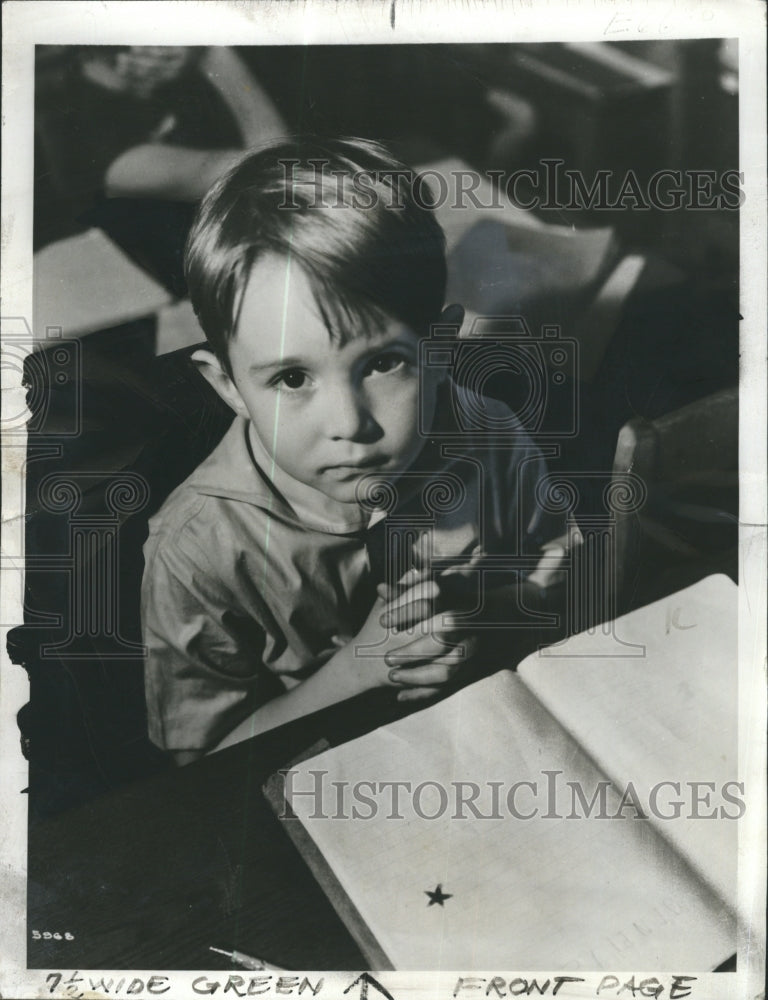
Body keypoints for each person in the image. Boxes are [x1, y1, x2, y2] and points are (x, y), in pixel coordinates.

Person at [142, 138, 573, 766]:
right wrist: (358, 670)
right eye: (292, 378)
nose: (349, 424)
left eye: (383, 363)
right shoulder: (194, 551)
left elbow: (557, 569)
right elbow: (198, 768)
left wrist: (482, 618)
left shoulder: (491, 434)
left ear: (442, 348)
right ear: (228, 385)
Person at [34, 45, 286, 291]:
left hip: (264, 262)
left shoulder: (164, 68)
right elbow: (278, 173)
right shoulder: (78, 137)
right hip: (217, 298)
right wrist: (215, 54)